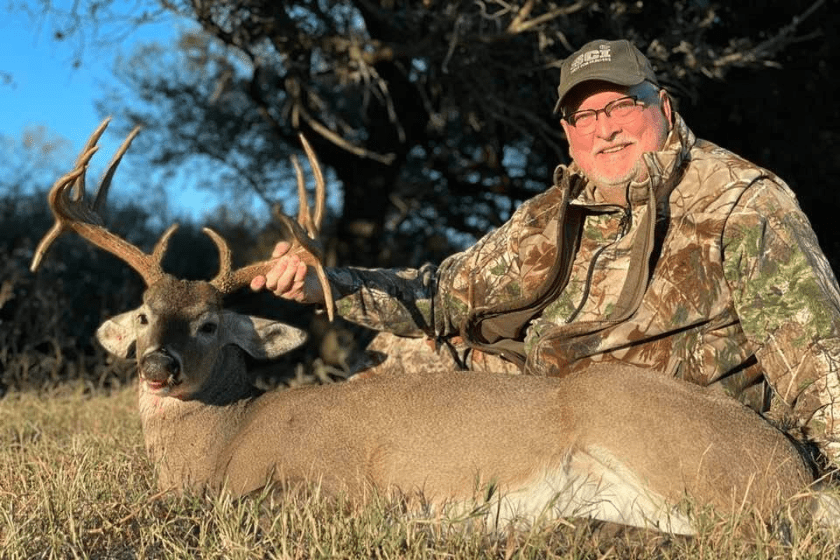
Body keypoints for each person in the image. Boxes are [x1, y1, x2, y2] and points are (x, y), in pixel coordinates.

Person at [251, 39, 840, 472]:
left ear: (662, 105)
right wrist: (326, 283)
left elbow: (818, 355)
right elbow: (442, 294)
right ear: (566, 133)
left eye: (621, 106)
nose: (604, 129)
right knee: (406, 355)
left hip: (668, 429)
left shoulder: (742, 201)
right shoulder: (548, 214)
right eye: (584, 115)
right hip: (544, 410)